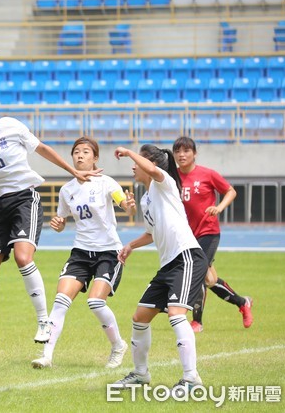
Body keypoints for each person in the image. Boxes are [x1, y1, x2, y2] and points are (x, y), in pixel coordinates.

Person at [0, 45, 100, 367]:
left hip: (26, 197)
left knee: (24, 255)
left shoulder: (13, 126)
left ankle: (43, 320)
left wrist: (73, 170)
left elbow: (43, 150)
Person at [31, 137, 136, 370]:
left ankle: (118, 345)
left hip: (108, 252)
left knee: (95, 303)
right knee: (60, 301)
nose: (80, 155)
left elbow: (123, 204)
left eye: (86, 152)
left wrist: (129, 204)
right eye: (76, 152)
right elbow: (62, 221)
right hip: (80, 252)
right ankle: (46, 355)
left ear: (95, 158)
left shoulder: (106, 183)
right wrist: (58, 224)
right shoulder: (67, 190)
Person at [111, 144, 208, 394]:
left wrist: (129, 152)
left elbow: (153, 170)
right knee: (139, 318)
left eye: (138, 161)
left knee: (176, 314)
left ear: (150, 164)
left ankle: (191, 378)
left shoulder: (165, 183)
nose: (134, 166)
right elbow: (152, 234)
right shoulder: (145, 199)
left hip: (187, 256)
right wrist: (131, 245)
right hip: (168, 265)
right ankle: (141, 374)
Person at [173, 136, 253, 333]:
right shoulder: (172, 177)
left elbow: (231, 191)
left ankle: (197, 322)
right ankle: (242, 302)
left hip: (208, 232)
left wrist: (218, 207)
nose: (182, 155)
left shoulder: (207, 174)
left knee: (197, 274)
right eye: (178, 151)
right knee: (209, 279)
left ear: (194, 154)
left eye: (186, 151)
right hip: (186, 235)